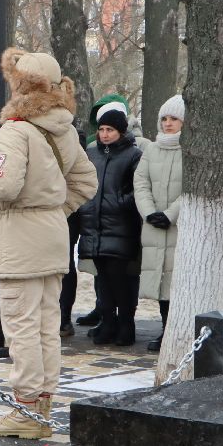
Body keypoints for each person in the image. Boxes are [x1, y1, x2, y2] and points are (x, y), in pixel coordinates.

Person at [0, 49, 96, 437]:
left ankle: (25, 411)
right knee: (45, 324)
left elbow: (4, 185)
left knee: (21, 325)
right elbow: (86, 182)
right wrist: (56, 211)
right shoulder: (66, 129)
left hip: (21, 235)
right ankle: (42, 405)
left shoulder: (16, 129)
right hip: (53, 235)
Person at [73, 107, 141, 345]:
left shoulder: (133, 155)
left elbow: (138, 188)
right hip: (95, 225)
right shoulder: (93, 155)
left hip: (121, 226)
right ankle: (108, 322)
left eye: (110, 130)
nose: (104, 134)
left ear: (121, 132)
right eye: (101, 129)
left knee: (121, 281)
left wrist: (119, 202)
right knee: (102, 280)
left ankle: (126, 324)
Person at [135, 95, 185, 353]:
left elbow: (191, 188)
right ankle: (165, 329)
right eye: (164, 118)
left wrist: (171, 214)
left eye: (174, 119)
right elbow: (141, 182)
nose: (167, 123)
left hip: (179, 227)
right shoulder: (152, 149)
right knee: (161, 281)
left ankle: (177, 331)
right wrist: (149, 212)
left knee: (177, 281)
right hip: (154, 226)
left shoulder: (189, 150)